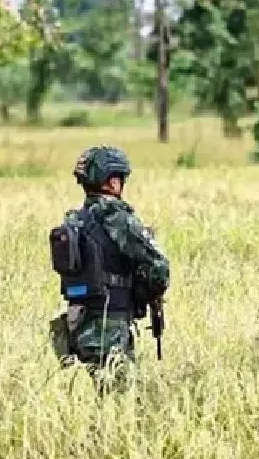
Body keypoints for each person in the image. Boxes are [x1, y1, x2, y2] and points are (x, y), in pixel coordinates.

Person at [48, 146, 169, 384]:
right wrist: (148, 291)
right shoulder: (117, 218)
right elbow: (159, 267)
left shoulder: (75, 220)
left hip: (79, 324)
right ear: (112, 182)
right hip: (111, 325)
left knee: (102, 394)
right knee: (121, 403)